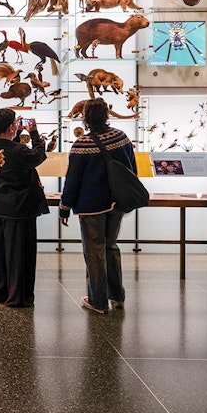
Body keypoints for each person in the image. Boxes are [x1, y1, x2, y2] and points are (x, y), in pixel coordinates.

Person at [58, 99, 136, 314]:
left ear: (86, 117)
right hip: (117, 203)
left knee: (94, 253)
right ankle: (118, 296)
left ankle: (98, 301)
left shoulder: (81, 145)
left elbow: (72, 181)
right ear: (106, 114)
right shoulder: (121, 138)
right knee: (111, 247)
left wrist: (64, 207)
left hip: (91, 207)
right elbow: (132, 169)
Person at [0, 108, 48, 308]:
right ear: (11, 126)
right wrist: (34, 133)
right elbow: (38, 156)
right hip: (19, 209)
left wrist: (17, 133)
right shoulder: (19, 151)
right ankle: (17, 296)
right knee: (20, 254)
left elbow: (9, 151)